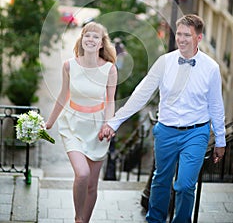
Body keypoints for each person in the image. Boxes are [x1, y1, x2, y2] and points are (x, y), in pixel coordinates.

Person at [99, 14, 226, 223]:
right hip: (166, 130)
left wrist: (220, 140)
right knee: (161, 181)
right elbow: (141, 93)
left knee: (185, 185)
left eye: (188, 35)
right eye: (180, 34)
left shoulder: (211, 68)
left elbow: (216, 106)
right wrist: (115, 121)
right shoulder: (164, 62)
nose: (182, 39)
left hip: (196, 132)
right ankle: (154, 220)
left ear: (199, 38)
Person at [45, 22, 117, 223]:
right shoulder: (69, 65)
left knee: (92, 185)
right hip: (73, 126)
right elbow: (62, 96)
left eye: (96, 37)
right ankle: (78, 219)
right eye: (87, 35)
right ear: (82, 39)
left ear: (102, 43)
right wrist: (49, 123)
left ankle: (85, 221)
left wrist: (108, 125)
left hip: (97, 130)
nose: (91, 40)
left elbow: (110, 102)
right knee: (82, 174)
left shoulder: (110, 69)